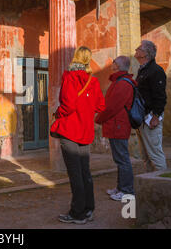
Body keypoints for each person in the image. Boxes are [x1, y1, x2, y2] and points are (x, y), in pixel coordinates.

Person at [51, 46, 105, 224]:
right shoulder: (94, 81)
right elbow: (100, 106)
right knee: (85, 172)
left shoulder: (70, 77)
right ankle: (89, 209)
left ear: (75, 58)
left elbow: (68, 105)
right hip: (85, 131)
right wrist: (87, 107)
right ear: (88, 60)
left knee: (75, 173)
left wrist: (58, 113)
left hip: (70, 130)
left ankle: (77, 213)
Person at [95, 56, 136, 201]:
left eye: (113, 62)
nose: (111, 64)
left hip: (118, 125)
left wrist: (98, 119)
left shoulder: (122, 84)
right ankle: (121, 187)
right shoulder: (119, 81)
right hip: (117, 124)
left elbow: (111, 107)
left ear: (117, 65)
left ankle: (127, 190)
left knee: (122, 159)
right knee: (120, 159)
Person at [134, 40, 167, 171]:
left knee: (155, 154)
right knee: (146, 155)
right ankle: (150, 182)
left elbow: (160, 96)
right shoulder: (143, 70)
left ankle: (164, 183)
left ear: (145, 53)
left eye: (138, 49)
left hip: (150, 117)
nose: (136, 50)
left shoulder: (155, 71)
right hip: (142, 117)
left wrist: (156, 116)